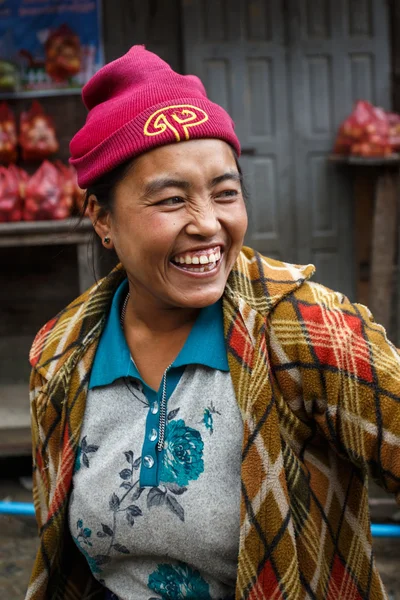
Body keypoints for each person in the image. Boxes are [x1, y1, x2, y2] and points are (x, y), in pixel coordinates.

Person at [27, 46, 400, 600]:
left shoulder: (304, 327)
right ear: (102, 218)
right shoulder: (61, 355)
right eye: (172, 199)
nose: (209, 225)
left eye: (226, 193)